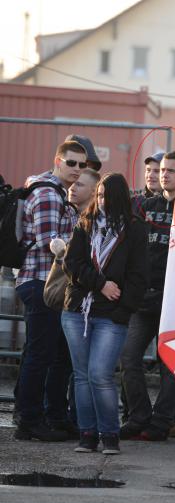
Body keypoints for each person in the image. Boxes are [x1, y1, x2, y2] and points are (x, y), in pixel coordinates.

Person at [61, 173, 148, 455]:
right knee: (82, 375)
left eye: (106, 197)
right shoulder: (85, 224)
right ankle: (87, 434)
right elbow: (72, 264)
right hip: (78, 310)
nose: (101, 201)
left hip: (111, 315)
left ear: (120, 199)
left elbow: (139, 276)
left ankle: (109, 434)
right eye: (98, 196)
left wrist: (123, 310)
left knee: (100, 374)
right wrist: (101, 284)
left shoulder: (134, 230)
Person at [14, 141, 84, 442]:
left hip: (48, 284)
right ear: (58, 160)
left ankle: (42, 416)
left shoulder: (53, 193)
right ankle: (29, 419)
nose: (77, 170)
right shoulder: (46, 193)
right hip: (42, 282)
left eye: (82, 165)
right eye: (72, 163)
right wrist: (81, 253)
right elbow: (49, 242)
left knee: (47, 353)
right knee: (41, 354)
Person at [118, 151, 175, 441]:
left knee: (170, 364)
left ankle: (161, 422)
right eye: (163, 170)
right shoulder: (144, 206)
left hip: (173, 301)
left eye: (172, 170)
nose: (164, 174)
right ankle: (139, 416)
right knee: (128, 356)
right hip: (141, 298)